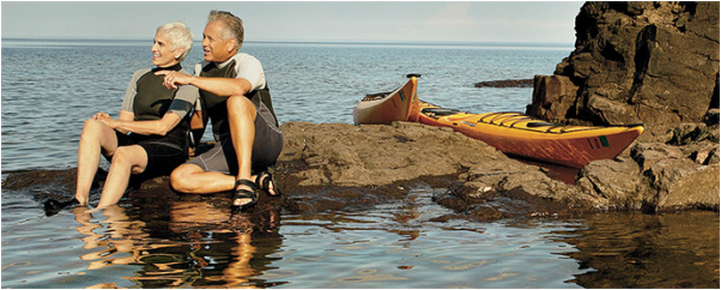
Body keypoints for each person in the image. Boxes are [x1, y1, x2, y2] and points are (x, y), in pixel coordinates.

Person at [157, 10, 283, 210]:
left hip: (264, 142)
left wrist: (189, 80)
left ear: (230, 44)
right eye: (203, 37)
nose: (204, 43)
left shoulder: (247, 62)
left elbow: (239, 88)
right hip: (227, 145)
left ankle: (244, 182)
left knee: (236, 101)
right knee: (179, 178)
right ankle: (256, 180)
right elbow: (201, 115)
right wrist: (192, 146)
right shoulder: (202, 69)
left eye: (211, 39)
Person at [74, 22, 197, 208]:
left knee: (124, 154)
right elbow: (125, 122)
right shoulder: (140, 76)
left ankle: (102, 212)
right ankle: (80, 200)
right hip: (137, 144)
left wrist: (115, 124)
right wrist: (107, 123)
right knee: (92, 125)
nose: (153, 48)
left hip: (168, 147)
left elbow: (162, 127)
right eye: (154, 42)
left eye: (160, 44)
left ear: (178, 52)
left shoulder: (188, 83)